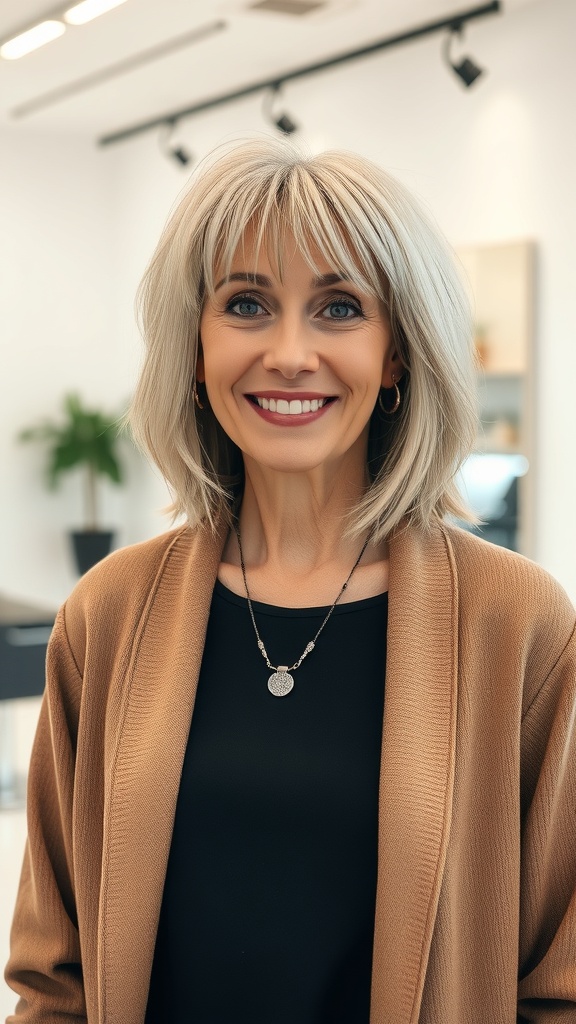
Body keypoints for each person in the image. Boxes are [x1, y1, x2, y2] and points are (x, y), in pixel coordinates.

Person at [5, 138, 576, 1024]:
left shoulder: (519, 623)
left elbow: (560, 983)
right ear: (195, 349)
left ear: (397, 354)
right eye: (246, 304)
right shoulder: (108, 614)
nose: (289, 353)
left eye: (340, 307)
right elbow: (52, 978)